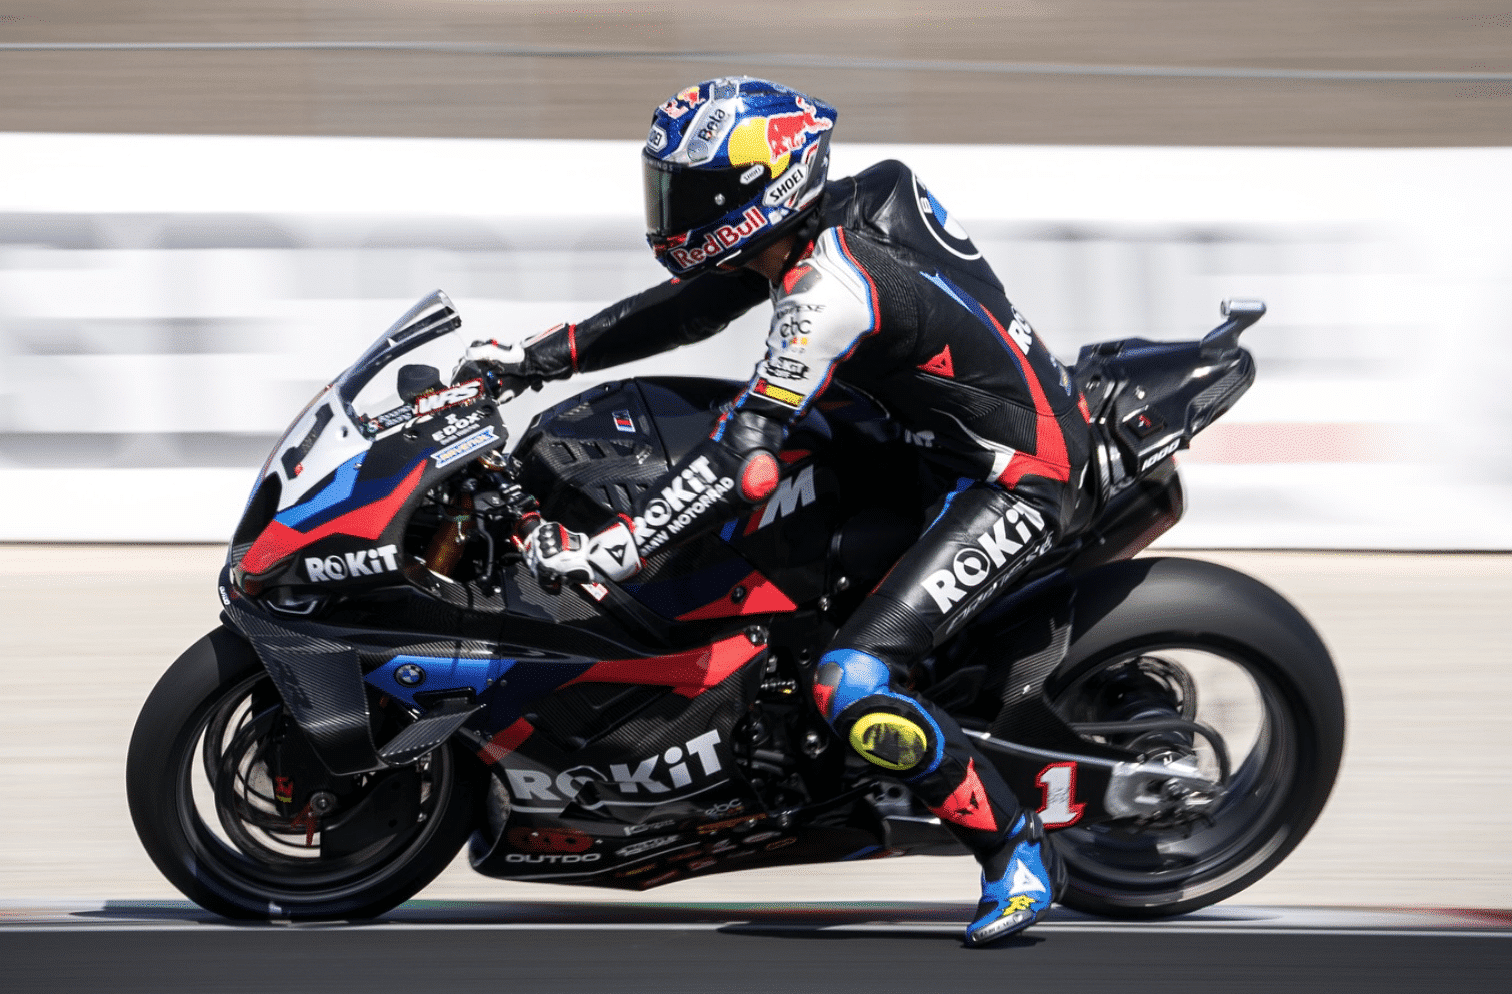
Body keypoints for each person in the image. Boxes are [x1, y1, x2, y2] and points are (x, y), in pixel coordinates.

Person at [463, 77, 1091, 946]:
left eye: (691, 194)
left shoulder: (828, 289)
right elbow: (694, 308)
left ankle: (1014, 850)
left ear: (760, 192)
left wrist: (618, 548)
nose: (671, 212)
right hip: (919, 434)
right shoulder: (839, 209)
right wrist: (539, 358)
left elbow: (742, 455)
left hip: (1012, 476)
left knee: (852, 680)